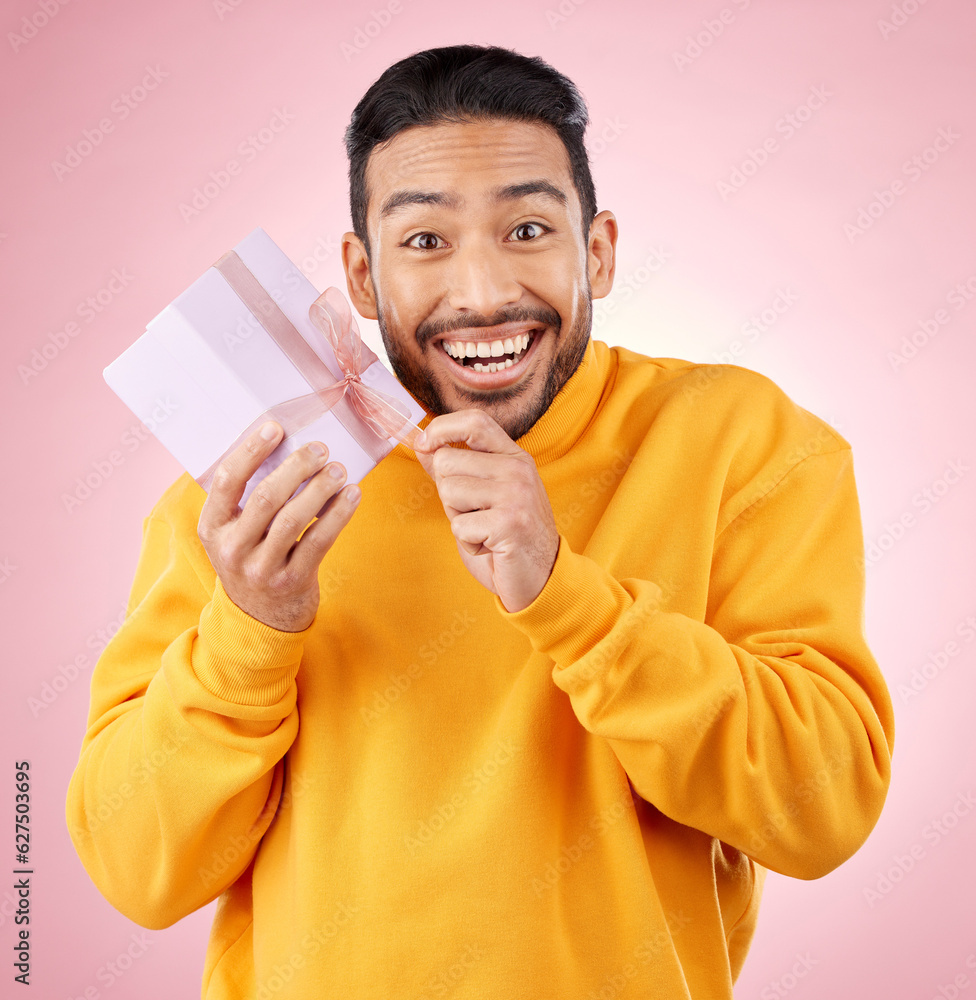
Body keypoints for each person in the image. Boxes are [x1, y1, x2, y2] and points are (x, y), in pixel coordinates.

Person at [66, 43, 894, 999]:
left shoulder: (743, 442)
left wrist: (565, 596)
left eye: (529, 227)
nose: (482, 293)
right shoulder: (248, 497)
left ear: (599, 251)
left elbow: (823, 812)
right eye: (424, 242)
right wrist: (251, 634)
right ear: (363, 276)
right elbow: (138, 874)